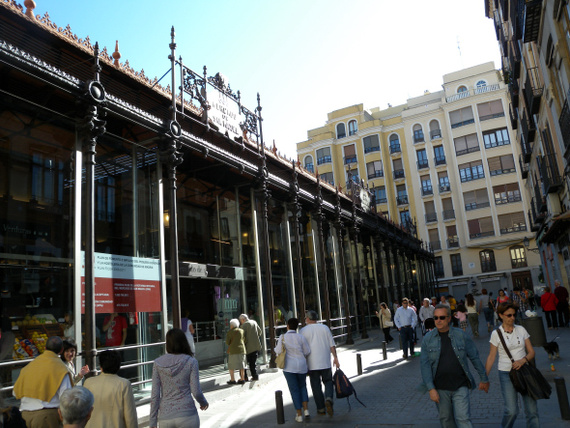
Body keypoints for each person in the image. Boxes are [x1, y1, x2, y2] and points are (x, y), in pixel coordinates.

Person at [420, 304, 490, 428]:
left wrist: (483, 378)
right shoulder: (428, 339)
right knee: (446, 420)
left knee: (463, 419)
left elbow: (474, 357)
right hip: (440, 388)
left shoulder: (461, 335)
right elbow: (425, 366)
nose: (438, 321)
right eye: (435, 318)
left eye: (442, 317)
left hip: (460, 385)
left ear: (449, 318)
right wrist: (431, 389)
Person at [485, 302, 540, 428]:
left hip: (525, 371)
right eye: (509, 315)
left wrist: (523, 360)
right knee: (511, 411)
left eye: (514, 315)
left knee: (532, 410)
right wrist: (485, 377)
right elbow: (491, 356)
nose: (512, 318)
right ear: (501, 315)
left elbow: (531, 352)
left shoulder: (521, 329)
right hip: (506, 373)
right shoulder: (496, 334)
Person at [149, 328, 208, 428]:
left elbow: (155, 394)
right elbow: (196, 391)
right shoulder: (191, 362)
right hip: (187, 414)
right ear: (183, 342)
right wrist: (203, 402)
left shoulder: (157, 363)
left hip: (165, 415)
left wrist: (153, 421)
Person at [13, 336, 73, 428]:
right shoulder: (61, 368)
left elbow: (14, 392)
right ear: (61, 350)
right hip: (47, 417)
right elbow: (66, 399)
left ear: (45, 348)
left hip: (24, 416)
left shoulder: (29, 366)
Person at [84, 350, 138, 428]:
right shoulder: (124, 384)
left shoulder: (88, 382)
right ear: (118, 366)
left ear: (101, 366)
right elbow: (130, 416)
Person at [300, 310, 340, 417]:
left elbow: (301, 348)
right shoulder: (325, 328)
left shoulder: (303, 331)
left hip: (311, 364)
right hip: (325, 361)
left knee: (315, 385)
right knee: (328, 381)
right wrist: (335, 358)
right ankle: (328, 398)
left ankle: (321, 408)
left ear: (308, 318)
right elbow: (332, 344)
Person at [275, 317, 311, 423]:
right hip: (302, 366)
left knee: (294, 390)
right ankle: (306, 410)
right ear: (297, 327)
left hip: (289, 367)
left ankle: (299, 415)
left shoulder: (282, 337)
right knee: (303, 387)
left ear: (287, 326)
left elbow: (277, 350)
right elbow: (307, 351)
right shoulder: (301, 337)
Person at [239, 313, 262, 381]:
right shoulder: (254, 322)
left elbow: (242, 337)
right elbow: (260, 332)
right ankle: (255, 376)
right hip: (256, 346)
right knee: (253, 363)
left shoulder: (244, 326)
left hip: (247, 348)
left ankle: (245, 377)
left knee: (245, 363)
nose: (240, 322)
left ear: (243, 319)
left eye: (240, 320)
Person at [225, 318, 247, 385]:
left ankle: (232, 379)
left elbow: (227, 342)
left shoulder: (230, 332)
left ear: (231, 325)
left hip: (233, 350)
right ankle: (242, 378)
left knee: (231, 365)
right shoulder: (241, 331)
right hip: (242, 350)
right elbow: (244, 340)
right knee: (242, 364)